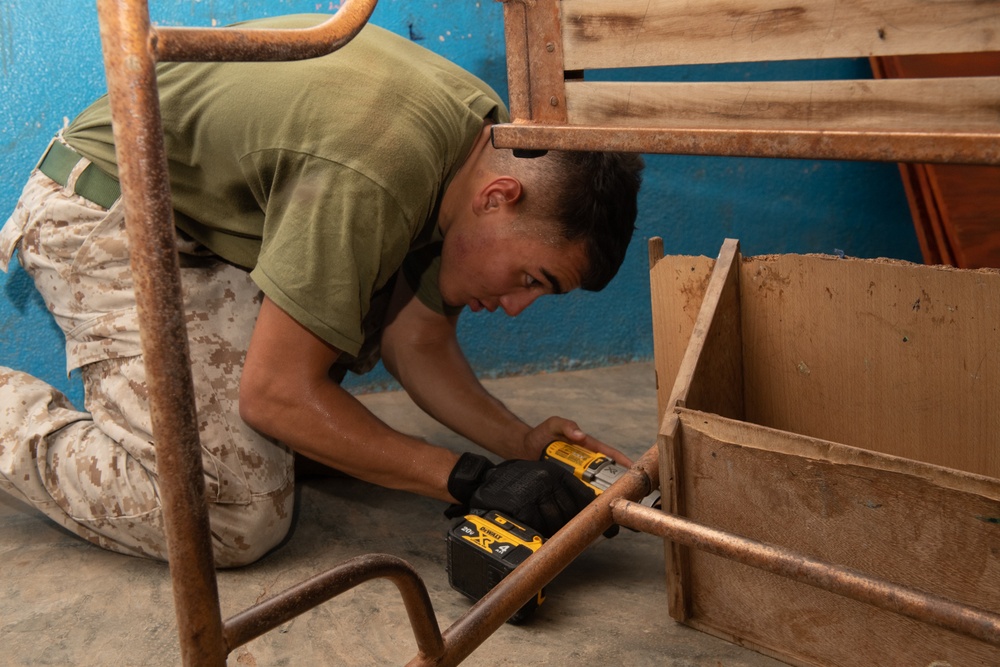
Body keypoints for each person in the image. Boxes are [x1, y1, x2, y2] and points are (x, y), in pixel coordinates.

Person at [0, 14, 644, 567]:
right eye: (531, 279)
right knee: (233, 514)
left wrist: (519, 444)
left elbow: (415, 338)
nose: (514, 305)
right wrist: (467, 479)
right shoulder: (379, 169)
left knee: (343, 344)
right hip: (102, 209)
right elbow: (275, 395)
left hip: (203, 225)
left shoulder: (488, 143)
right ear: (499, 198)